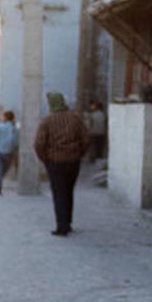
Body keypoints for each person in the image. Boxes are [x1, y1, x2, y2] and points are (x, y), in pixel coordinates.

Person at [34, 92, 89, 236]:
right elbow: (86, 139)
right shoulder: (75, 118)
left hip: (55, 162)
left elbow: (39, 143)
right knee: (68, 191)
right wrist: (79, 154)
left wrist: (45, 159)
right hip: (73, 161)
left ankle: (61, 226)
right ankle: (68, 222)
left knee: (59, 193)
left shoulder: (47, 121)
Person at [0, 111, 19, 195]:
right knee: (3, 171)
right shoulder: (15, 129)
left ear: (5, 117)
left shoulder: (0, 127)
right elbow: (16, 142)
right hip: (9, 153)